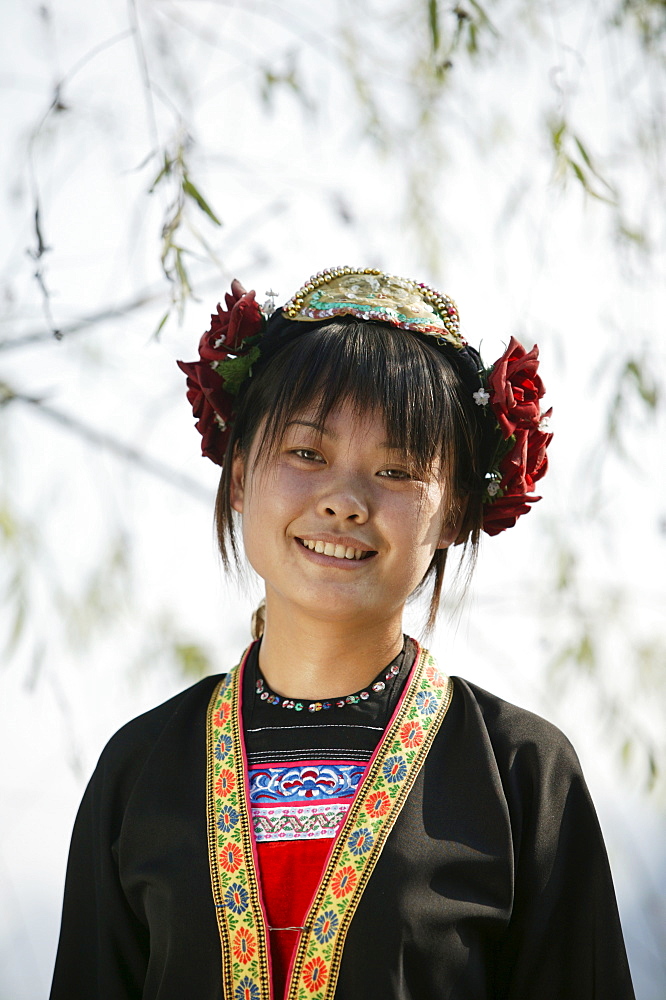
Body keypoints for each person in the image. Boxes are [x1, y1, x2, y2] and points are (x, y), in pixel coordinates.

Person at [50, 266, 635, 1000]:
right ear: (238, 476)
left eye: (396, 469)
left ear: (454, 510)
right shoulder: (139, 772)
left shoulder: (521, 776)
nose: (345, 502)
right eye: (307, 454)